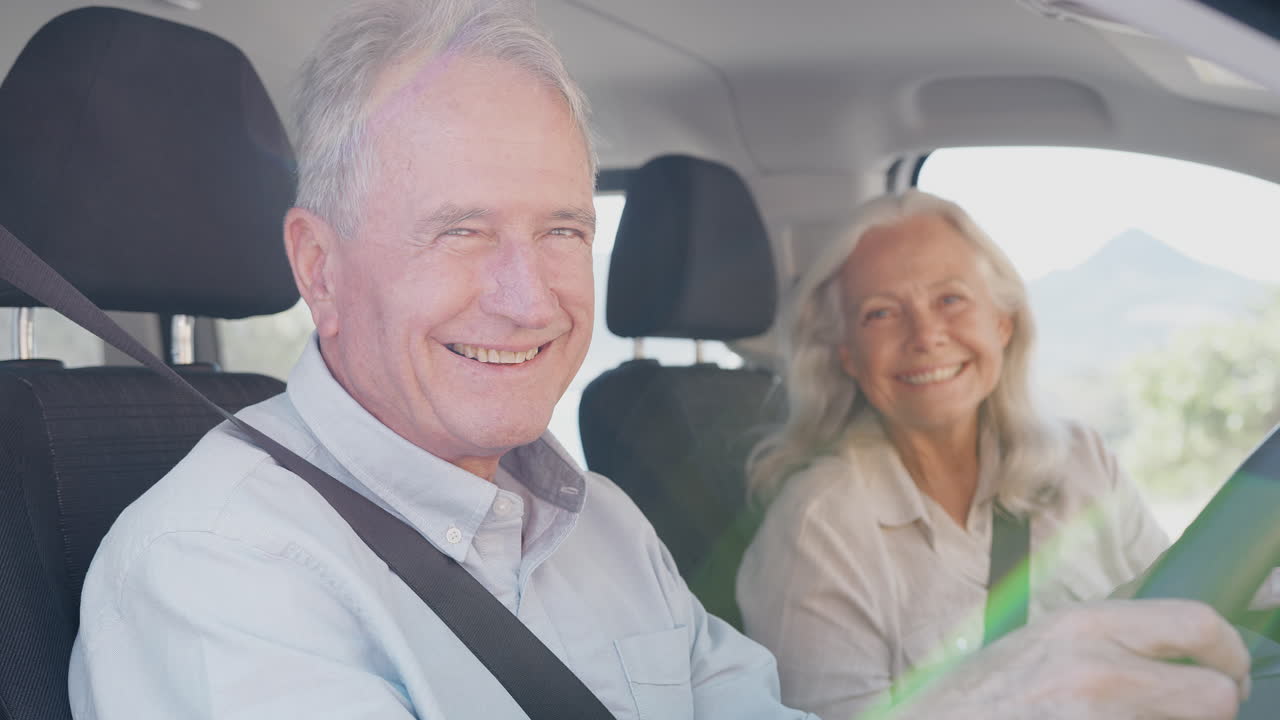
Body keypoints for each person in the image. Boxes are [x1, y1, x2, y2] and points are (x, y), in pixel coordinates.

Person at [67, 1, 1250, 719]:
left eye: (563, 230)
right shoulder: (214, 576)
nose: (528, 297)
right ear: (318, 269)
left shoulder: (597, 524)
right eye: (461, 230)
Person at [735, 190, 1175, 718]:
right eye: (880, 313)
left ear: (1002, 323)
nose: (925, 336)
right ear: (847, 354)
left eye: (950, 300)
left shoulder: (1083, 461)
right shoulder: (821, 526)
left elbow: (1179, 619)